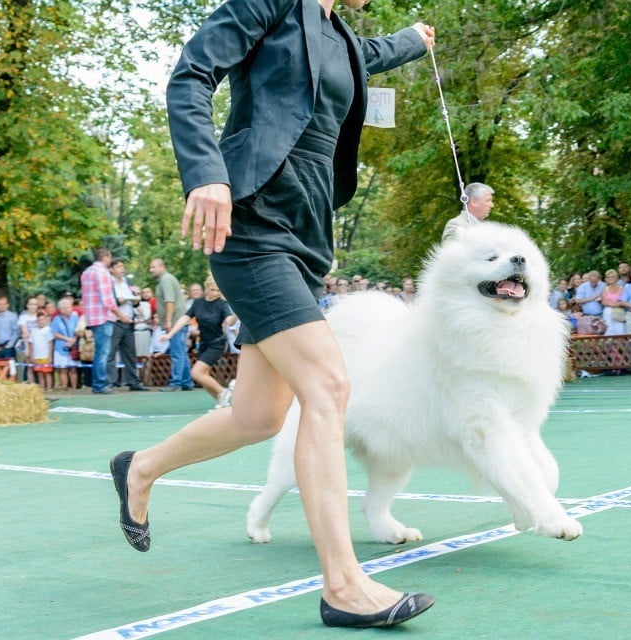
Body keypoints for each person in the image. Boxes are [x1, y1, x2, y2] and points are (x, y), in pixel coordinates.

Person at [109, 0, 436, 629]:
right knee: (329, 386)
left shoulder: (341, 37)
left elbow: (372, 55)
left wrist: (416, 39)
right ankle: (342, 585)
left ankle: (140, 467)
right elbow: (192, 74)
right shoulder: (270, 4)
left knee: (258, 415)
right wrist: (206, 173)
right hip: (251, 218)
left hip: (308, 233)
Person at [160, 276, 237, 409]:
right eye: (213, 289)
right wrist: (170, 334)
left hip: (217, 344)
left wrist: (237, 313)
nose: (215, 293)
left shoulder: (221, 304)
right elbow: (184, 319)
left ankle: (222, 392)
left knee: (196, 373)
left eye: (218, 290)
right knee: (204, 377)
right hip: (203, 344)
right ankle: (222, 403)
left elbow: (230, 322)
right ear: (206, 288)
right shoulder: (198, 303)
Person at [81, 247, 129, 394]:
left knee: (99, 352)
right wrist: (121, 315)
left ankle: (97, 383)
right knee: (103, 353)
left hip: (92, 317)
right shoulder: (102, 273)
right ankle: (100, 384)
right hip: (103, 317)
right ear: (106, 257)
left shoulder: (86, 272)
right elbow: (107, 299)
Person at [150, 258, 193, 391]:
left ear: (162, 266)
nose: (151, 270)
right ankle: (186, 382)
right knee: (181, 352)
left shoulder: (166, 280)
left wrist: (168, 321)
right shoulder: (166, 279)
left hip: (176, 322)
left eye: (153, 267)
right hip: (178, 321)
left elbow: (170, 301)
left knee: (177, 353)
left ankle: (175, 383)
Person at [107, 259, 149, 391]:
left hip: (129, 321)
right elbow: (111, 302)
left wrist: (136, 298)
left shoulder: (127, 282)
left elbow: (135, 302)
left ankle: (133, 381)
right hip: (116, 321)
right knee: (111, 352)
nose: (122, 269)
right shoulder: (109, 283)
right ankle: (110, 382)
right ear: (112, 269)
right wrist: (122, 300)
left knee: (130, 352)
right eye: (118, 267)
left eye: (123, 267)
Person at [51, 298, 83, 390]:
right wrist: (66, 339)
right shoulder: (56, 319)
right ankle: (64, 388)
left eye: (70, 307)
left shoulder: (75, 318)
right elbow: (54, 333)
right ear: (62, 310)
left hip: (73, 347)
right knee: (63, 369)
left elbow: (79, 330)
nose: (70, 309)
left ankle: (74, 388)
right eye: (68, 308)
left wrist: (73, 339)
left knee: (73, 369)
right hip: (61, 347)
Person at [28, 312, 54, 390]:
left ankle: (49, 388)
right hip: (37, 356)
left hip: (45, 355)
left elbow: (50, 343)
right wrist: (32, 355)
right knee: (40, 373)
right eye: (39, 320)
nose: (41, 322)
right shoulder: (34, 331)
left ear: (45, 320)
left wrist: (50, 356)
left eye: (42, 320)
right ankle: (42, 388)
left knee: (47, 373)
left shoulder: (48, 330)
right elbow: (31, 344)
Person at [0, 296, 20, 360]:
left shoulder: (12, 316)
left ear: (7, 305)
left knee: (10, 368)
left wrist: (10, 345)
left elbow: (16, 332)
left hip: (8, 347)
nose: (2, 306)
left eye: (4, 304)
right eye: (0, 304)